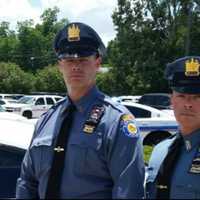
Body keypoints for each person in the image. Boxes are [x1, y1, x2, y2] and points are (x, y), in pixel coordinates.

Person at [16, 22, 145, 199]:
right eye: (69, 60)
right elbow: (27, 182)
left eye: (83, 59)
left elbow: (128, 191)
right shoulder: (46, 120)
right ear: (60, 65)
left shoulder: (115, 121)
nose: (75, 66)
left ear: (97, 62)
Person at [146, 56, 200, 199]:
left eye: (197, 97)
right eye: (181, 96)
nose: (188, 104)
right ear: (172, 100)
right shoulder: (160, 150)